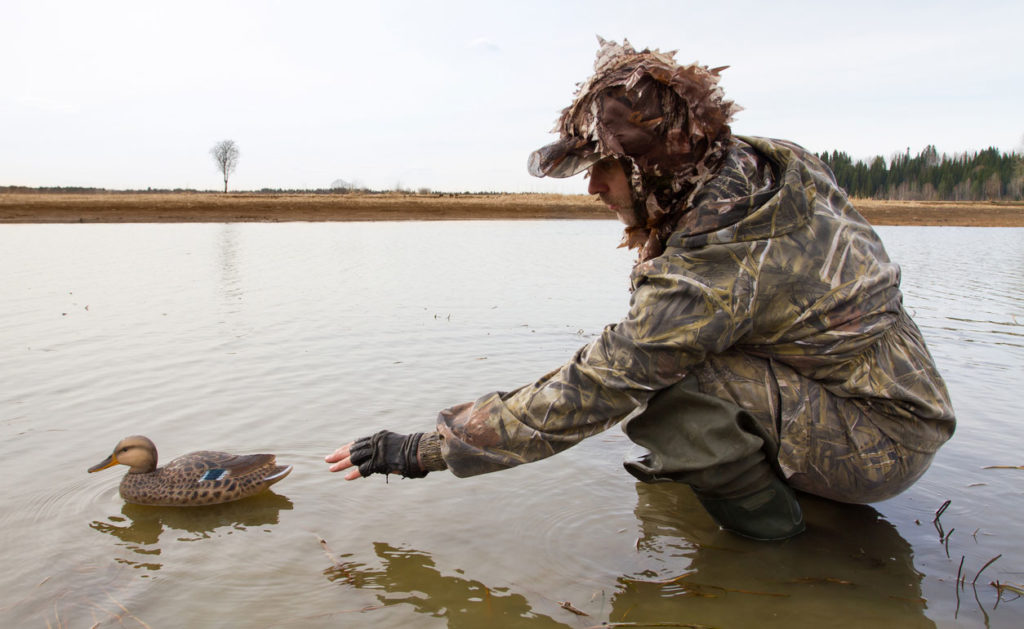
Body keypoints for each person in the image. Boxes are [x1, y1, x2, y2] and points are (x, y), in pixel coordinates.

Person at [325, 38, 955, 541]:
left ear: (653, 166)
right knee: (682, 370)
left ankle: (775, 553)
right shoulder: (762, 166)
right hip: (897, 399)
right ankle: (735, 477)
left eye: (603, 168)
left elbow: (599, 384)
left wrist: (423, 449)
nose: (593, 189)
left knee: (675, 393)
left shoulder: (714, 264)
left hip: (883, 442)